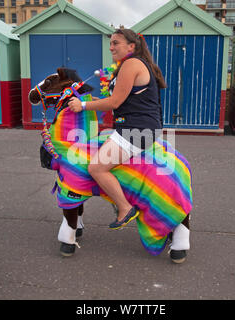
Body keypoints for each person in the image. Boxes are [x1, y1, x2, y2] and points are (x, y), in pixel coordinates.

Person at [68, 28, 167, 230]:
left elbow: (115, 102)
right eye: (111, 43)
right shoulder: (131, 64)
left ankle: (124, 207)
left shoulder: (131, 64)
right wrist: (97, 101)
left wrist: (84, 106)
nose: (111, 47)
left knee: (96, 167)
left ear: (132, 46)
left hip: (136, 130)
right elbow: (123, 100)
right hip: (134, 127)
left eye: (116, 43)